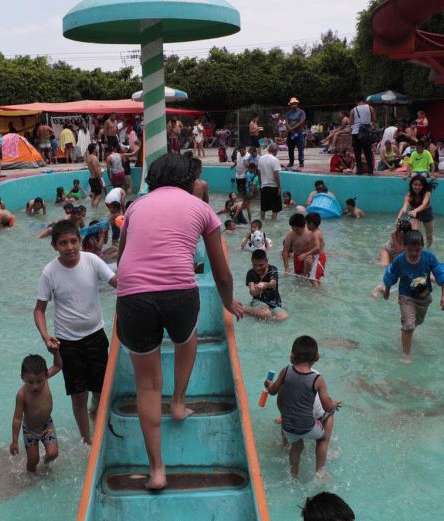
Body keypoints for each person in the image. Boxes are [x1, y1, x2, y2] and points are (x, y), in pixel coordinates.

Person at [115, 153, 243, 490]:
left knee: (147, 386)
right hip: (178, 295)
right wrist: (229, 302)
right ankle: (178, 403)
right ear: (189, 180)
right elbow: (222, 273)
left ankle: (157, 470)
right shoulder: (201, 209)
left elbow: (122, 256)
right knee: (188, 338)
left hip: (133, 297)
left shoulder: (135, 208)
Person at [34, 220, 117, 445]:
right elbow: (39, 310)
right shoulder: (49, 272)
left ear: (80, 241)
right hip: (67, 342)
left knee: (100, 389)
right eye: (63, 243)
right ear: (54, 246)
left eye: (73, 241)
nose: (69, 247)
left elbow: (116, 283)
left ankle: (95, 411)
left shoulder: (92, 260)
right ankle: (87, 440)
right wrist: (45, 336)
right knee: (78, 394)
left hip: (95, 335)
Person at [264, 336, 341, 477]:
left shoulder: (285, 371)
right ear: (317, 357)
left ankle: (293, 475)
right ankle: (319, 474)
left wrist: (268, 383)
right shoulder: (318, 379)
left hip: (287, 426)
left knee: (297, 446)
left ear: (292, 357)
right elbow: (327, 406)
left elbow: (273, 391)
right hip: (307, 426)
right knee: (322, 438)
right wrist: (334, 404)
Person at [380, 230, 444, 364]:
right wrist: (387, 291)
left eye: (417, 250)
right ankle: (406, 354)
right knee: (409, 325)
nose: (414, 254)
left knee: (417, 322)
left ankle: (408, 324)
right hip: (406, 296)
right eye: (410, 250)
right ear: (404, 247)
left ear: (422, 247)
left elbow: (441, 273)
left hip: (424, 297)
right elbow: (390, 275)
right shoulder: (399, 260)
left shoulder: (428, 257)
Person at [10, 353, 62, 472]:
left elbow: (58, 366)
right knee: (33, 460)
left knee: (53, 453)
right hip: (30, 430)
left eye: (39, 381)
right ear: (22, 377)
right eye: (30, 382)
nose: (35, 386)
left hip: (46, 425)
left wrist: (55, 352)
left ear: (46, 375)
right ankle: (31, 477)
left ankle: (45, 463)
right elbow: (17, 418)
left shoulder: (46, 380)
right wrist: (14, 441)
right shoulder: (22, 395)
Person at [243, 249, 288, 321]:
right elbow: (252, 292)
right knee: (265, 313)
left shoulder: (273, 269)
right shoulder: (250, 273)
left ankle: (266, 318)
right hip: (258, 301)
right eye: (255, 265)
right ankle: (244, 309)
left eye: (261, 265)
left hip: (274, 302)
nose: (258, 268)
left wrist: (265, 284)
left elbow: (273, 284)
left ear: (267, 262)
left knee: (283, 317)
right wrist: (258, 289)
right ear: (251, 262)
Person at [282, 213, 319, 288]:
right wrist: (286, 268)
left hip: (309, 257)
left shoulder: (310, 232)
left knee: (309, 279)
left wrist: (312, 256)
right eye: (292, 228)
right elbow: (285, 251)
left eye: (297, 229)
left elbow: (317, 247)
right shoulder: (291, 234)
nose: (294, 231)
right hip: (297, 258)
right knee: (299, 281)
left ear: (304, 226)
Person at [397, 175, 435, 247]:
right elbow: (404, 208)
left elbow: (424, 205)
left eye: (419, 185)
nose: (417, 187)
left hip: (427, 213)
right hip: (414, 215)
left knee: (429, 236)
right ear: (411, 185)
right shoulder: (409, 195)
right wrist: (399, 216)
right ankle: (417, 249)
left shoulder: (427, 193)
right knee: (415, 234)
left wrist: (415, 210)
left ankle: (428, 249)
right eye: (415, 185)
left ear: (423, 186)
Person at [349, 95, 376, 176]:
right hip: (366, 133)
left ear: (356, 101)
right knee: (368, 152)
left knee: (357, 153)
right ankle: (370, 171)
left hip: (356, 133)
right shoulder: (370, 108)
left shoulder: (353, 110)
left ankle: (359, 170)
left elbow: (351, 123)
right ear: (364, 100)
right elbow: (374, 120)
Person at [258, 143, 283, 221]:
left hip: (264, 186)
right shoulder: (275, 159)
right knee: (275, 209)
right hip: (273, 187)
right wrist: (279, 187)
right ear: (275, 151)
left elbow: (258, 173)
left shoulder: (261, 158)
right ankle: (274, 224)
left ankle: (261, 222)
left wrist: (260, 184)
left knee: (263, 208)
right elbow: (276, 175)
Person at [286, 98, 307, 169]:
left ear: (297, 104)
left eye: (294, 103)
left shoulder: (301, 112)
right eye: (292, 104)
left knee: (300, 148)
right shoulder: (288, 113)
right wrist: (290, 128)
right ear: (290, 105)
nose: (293, 105)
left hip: (299, 132)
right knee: (290, 148)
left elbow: (301, 122)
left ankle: (301, 161)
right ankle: (291, 162)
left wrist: (293, 128)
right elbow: (286, 122)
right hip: (290, 133)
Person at [85, 144, 104, 208]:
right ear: (94, 149)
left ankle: (92, 209)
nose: (97, 149)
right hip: (96, 179)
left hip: (91, 179)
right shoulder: (94, 158)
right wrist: (100, 180)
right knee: (99, 196)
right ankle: (95, 211)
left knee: (93, 196)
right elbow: (96, 170)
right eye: (96, 148)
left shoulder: (89, 157)